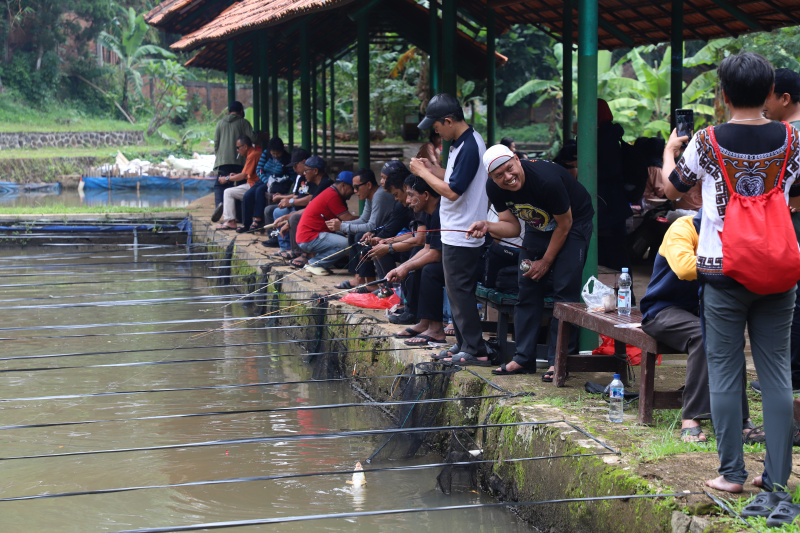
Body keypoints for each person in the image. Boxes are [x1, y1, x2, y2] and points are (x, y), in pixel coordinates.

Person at [662, 52, 800, 494]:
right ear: (767, 93)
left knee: (724, 371)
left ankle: (732, 474)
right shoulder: (793, 139)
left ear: (723, 94)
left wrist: (669, 152)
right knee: (777, 371)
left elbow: (673, 188)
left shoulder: (707, 140)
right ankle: (777, 479)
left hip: (722, 269)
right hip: (779, 266)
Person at [467, 144, 593, 378]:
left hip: (573, 224)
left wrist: (546, 261)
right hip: (538, 225)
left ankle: (560, 361)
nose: (508, 177)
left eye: (510, 168)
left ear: (517, 159)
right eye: (499, 175)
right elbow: (513, 227)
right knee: (526, 287)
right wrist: (488, 226)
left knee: (564, 291)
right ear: (491, 178)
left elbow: (564, 225)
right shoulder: (494, 188)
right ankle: (523, 359)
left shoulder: (546, 181)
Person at [639, 213, 757, 443]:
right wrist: (735, 264)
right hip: (662, 309)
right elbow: (684, 268)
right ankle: (692, 417)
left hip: (702, 309)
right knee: (705, 336)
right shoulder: (683, 228)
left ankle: (740, 419)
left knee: (732, 337)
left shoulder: (735, 231)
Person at [411, 93, 490, 365]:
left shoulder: (470, 145)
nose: (436, 131)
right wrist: (431, 167)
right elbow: (452, 176)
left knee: (461, 292)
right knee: (455, 292)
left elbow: (453, 192)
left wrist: (423, 175)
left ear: (448, 121)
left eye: (436, 126)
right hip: (454, 229)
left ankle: (475, 349)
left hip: (463, 231)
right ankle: (463, 343)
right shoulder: (459, 143)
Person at [755, 67, 800, 394]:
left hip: (793, 231)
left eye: (767, 96)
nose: (762, 104)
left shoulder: (789, 135)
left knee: (794, 301)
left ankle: (792, 373)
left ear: (785, 98)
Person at [385, 175, 447, 346]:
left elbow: (436, 254)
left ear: (425, 195)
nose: (407, 199)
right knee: (418, 266)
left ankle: (436, 330)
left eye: (412, 195)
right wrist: (403, 267)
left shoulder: (441, 212)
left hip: (470, 262)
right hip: (445, 258)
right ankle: (424, 323)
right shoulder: (429, 213)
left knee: (429, 270)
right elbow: (427, 248)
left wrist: (406, 267)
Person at [330, 168, 395, 290]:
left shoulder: (379, 195)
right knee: (353, 233)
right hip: (379, 230)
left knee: (360, 236)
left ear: (369, 185)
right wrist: (342, 224)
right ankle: (358, 278)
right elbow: (364, 219)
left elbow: (372, 226)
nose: (354, 191)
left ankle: (371, 283)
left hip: (390, 232)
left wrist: (343, 226)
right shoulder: (370, 196)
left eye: (357, 187)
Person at [274, 155, 333, 267]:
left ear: (315, 171)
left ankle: (303, 254)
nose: (304, 173)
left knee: (294, 217)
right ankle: (299, 251)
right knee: (292, 216)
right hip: (319, 217)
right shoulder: (317, 183)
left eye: (306, 170)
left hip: (327, 221)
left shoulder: (325, 185)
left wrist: (286, 218)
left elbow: (310, 209)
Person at [295, 171, 358, 274]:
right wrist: (368, 219)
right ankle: (314, 263)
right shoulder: (333, 196)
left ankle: (320, 262)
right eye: (353, 188)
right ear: (343, 186)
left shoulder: (331, 192)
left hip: (311, 235)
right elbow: (347, 219)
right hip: (309, 237)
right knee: (347, 244)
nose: (355, 191)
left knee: (346, 235)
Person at [211, 101, 254, 222]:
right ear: (241, 111)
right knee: (239, 186)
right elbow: (252, 138)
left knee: (220, 185)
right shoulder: (243, 122)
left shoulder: (220, 123)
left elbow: (216, 143)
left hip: (223, 160)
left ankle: (219, 205)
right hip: (239, 160)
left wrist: (219, 157)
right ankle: (240, 215)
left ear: (229, 112)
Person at [261, 147, 310, 248]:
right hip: (296, 204)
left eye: (295, 165)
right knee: (269, 209)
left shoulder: (311, 177)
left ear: (304, 162)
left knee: (279, 212)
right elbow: (296, 194)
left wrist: (290, 202)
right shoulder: (300, 176)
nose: (294, 169)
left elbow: (311, 198)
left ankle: (286, 247)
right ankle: (275, 239)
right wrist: (283, 197)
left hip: (303, 207)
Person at [239, 137, 290, 233]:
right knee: (247, 195)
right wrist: (266, 180)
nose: (276, 155)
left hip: (277, 183)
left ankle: (258, 219)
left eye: (278, 153)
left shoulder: (286, 158)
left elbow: (290, 175)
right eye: (273, 153)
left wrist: (279, 180)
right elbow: (259, 169)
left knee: (260, 191)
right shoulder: (266, 154)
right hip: (264, 180)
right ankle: (246, 223)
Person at [216, 135, 261, 230]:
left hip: (254, 185)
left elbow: (243, 176)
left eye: (238, 147)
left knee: (228, 192)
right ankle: (230, 220)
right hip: (252, 184)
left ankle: (230, 221)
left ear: (245, 146)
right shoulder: (251, 154)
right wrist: (233, 175)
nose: (237, 150)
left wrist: (227, 178)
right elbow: (244, 173)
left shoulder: (253, 155)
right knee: (229, 191)